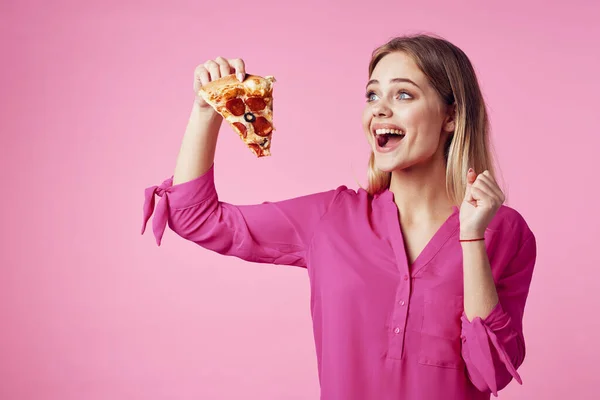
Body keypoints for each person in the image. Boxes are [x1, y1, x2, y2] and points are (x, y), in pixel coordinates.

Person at [141, 34, 536, 400]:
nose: (379, 108)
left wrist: (472, 239)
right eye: (371, 95)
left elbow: (490, 374)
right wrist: (206, 110)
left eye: (403, 95)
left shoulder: (504, 230)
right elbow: (197, 218)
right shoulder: (330, 219)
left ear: (451, 115)